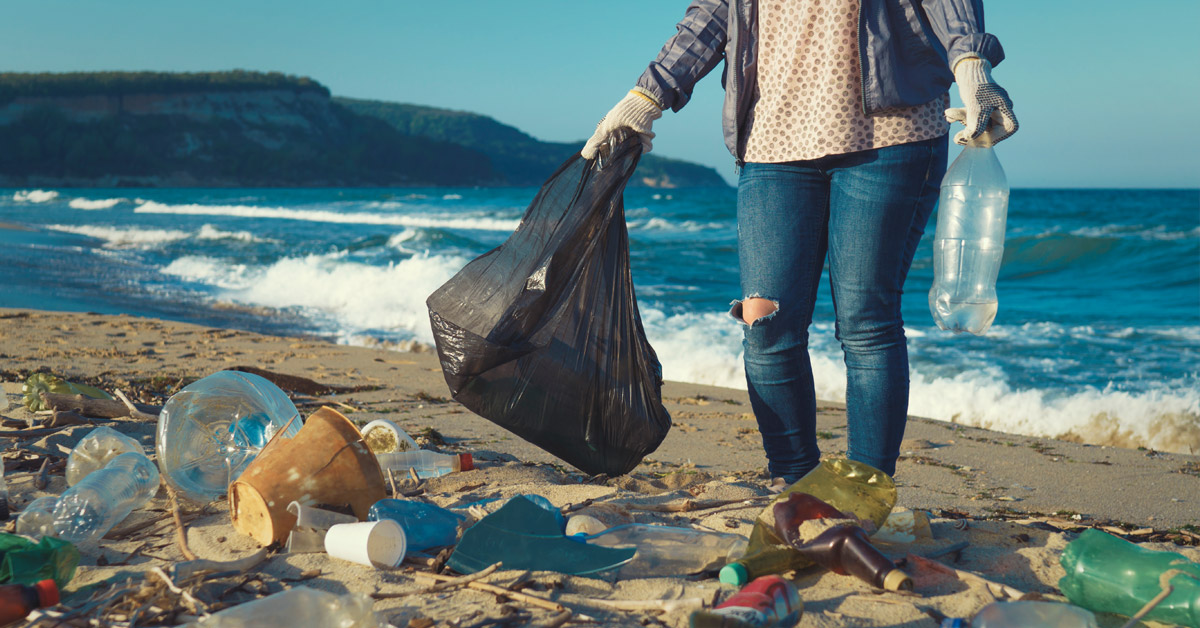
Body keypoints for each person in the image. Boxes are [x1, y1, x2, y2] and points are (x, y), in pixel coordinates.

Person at [581, 0, 1018, 483]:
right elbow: (712, 15)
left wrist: (973, 69)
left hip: (892, 131)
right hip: (772, 139)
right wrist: (647, 95)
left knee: (866, 323)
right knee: (765, 322)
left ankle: (866, 493)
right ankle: (796, 485)